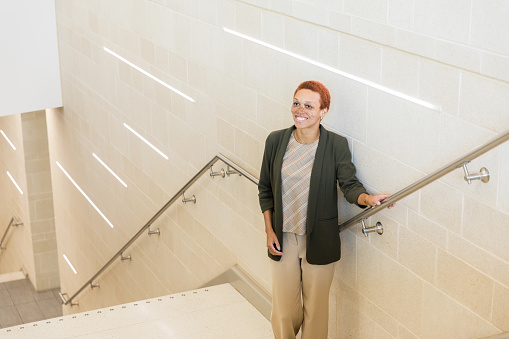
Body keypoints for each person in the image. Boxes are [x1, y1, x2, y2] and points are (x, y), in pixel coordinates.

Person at [258, 80, 394, 339]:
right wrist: (268, 230)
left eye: (309, 105)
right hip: (283, 236)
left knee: (316, 311)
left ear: (323, 111)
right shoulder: (276, 141)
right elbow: (265, 189)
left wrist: (367, 199)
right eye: (297, 103)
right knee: (283, 312)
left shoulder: (335, 145)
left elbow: (349, 184)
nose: (300, 110)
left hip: (319, 238)